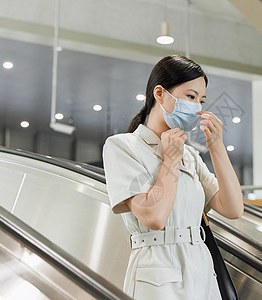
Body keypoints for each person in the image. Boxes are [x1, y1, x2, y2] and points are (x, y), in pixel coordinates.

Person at [102, 55, 243, 300]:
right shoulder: (122, 147)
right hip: (157, 274)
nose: (197, 107)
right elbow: (154, 217)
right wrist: (170, 160)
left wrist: (217, 147)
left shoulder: (190, 155)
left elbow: (233, 208)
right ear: (160, 94)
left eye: (201, 100)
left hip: (202, 270)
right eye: (190, 97)